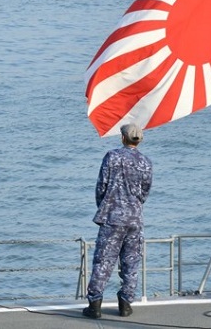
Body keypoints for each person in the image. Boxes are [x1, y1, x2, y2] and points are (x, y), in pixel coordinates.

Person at [82, 123, 153, 319]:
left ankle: (95, 305)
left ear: (123, 137)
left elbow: (101, 186)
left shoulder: (112, 157)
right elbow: (145, 191)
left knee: (104, 261)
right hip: (135, 219)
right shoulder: (146, 162)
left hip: (112, 218)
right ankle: (126, 304)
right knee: (131, 262)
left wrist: (103, 208)